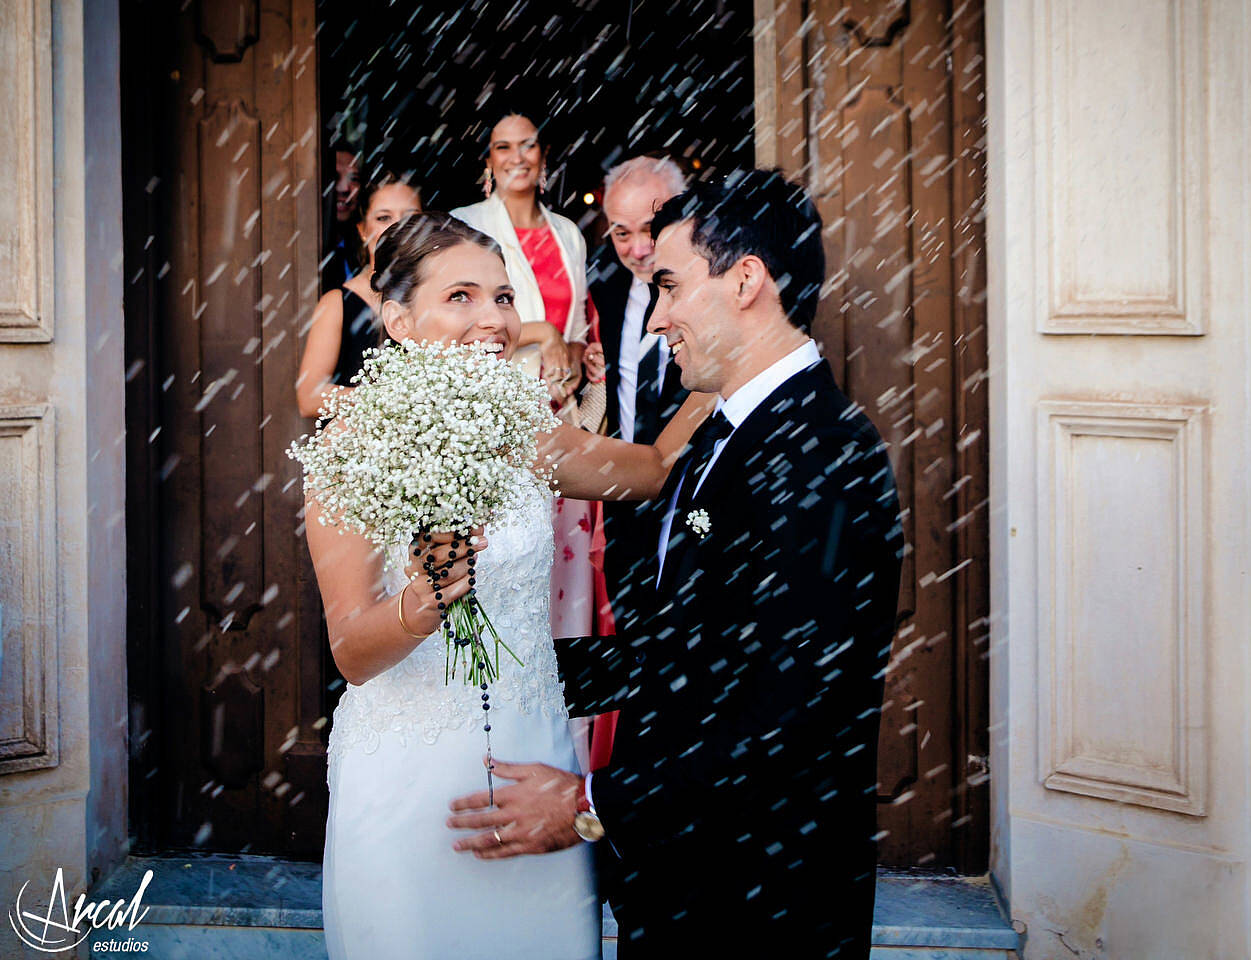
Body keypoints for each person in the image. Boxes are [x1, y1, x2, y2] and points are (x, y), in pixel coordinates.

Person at [447, 171, 905, 958]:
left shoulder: (823, 455)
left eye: (669, 286)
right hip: (686, 884)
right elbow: (683, 650)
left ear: (747, 281)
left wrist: (590, 804)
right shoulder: (726, 435)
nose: (656, 317)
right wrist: (509, 671)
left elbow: (791, 715)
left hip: (761, 906)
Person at [311, 212, 710, 959]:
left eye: (501, 297)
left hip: (536, 768)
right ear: (398, 321)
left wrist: (735, 363)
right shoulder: (354, 444)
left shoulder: (523, 425)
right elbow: (351, 652)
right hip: (410, 781)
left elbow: (653, 470)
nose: (494, 318)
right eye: (460, 296)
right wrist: (420, 606)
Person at [451, 111, 598, 646]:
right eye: (503, 147)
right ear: (487, 161)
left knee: (566, 564)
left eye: (528, 145)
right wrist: (541, 333)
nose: (517, 157)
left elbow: (576, 330)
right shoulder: (465, 224)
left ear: (544, 155)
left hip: (562, 416)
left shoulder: (569, 234)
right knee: (508, 559)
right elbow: (459, 323)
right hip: (494, 420)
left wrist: (574, 358)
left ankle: (563, 679)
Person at [587, 156, 689, 635]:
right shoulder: (603, 284)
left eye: (650, 228)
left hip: (691, 493)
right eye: (621, 233)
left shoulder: (710, 291)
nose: (638, 248)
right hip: (625, 500)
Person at [296, 171, 422, 418]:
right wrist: (393, 399)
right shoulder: (337, 303)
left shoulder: (442, 297)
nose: (397, 227)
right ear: (363, 230)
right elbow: (309, 398)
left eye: (411, 218)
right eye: (384, 217)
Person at [320, 142, 363, 293]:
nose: (344, 188)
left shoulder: (364, 250)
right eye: (334, 176)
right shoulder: (305, 250)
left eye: (353, 178)